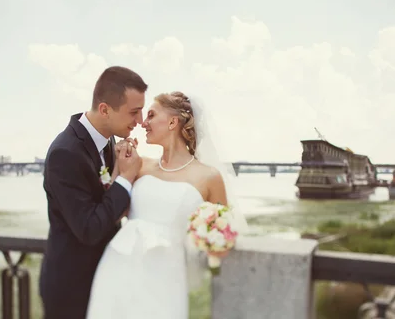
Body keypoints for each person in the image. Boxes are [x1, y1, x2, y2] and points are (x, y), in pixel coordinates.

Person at [86, 91, 245, 319]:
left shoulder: (209, 177)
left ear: (172, 122)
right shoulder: (139, 165)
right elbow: (114, 212)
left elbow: (224, 233)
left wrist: (211, 242)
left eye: (151, 115)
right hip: (118, 266)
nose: (143, 122)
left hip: (166, 277)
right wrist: (119, 168)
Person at [39, 66, 148, 319]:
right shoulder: (65, 153)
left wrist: (120, 168)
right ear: (104, 109)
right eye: (134, 112)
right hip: (73, 290)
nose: (140, 121)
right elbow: (89, 228)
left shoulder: (109, 140)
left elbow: (107, 205)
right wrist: (126, 179)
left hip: (105, 281)